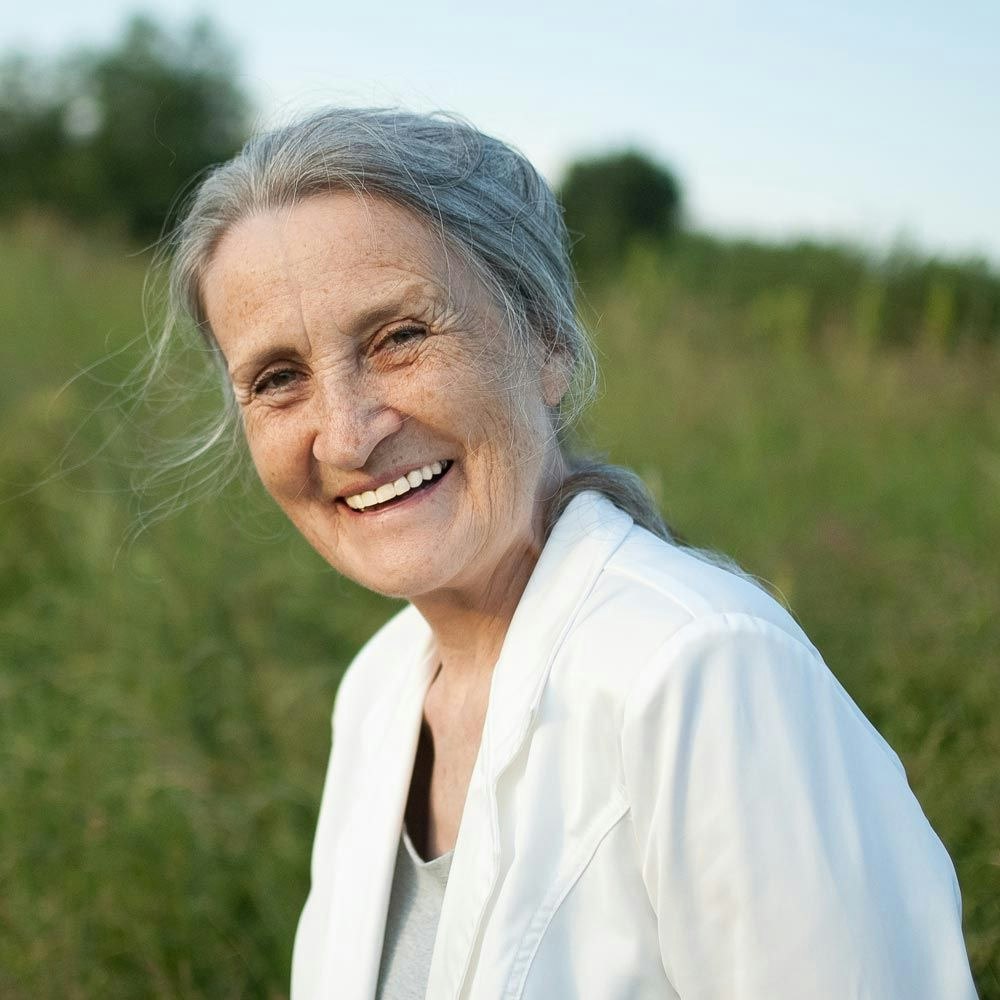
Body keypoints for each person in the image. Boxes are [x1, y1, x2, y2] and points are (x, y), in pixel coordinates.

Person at [164, 107, 977, 999]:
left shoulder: (703, 671)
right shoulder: (379, 688)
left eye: (399, 337)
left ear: (547, 341)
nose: (349, 435)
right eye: (279, 379)